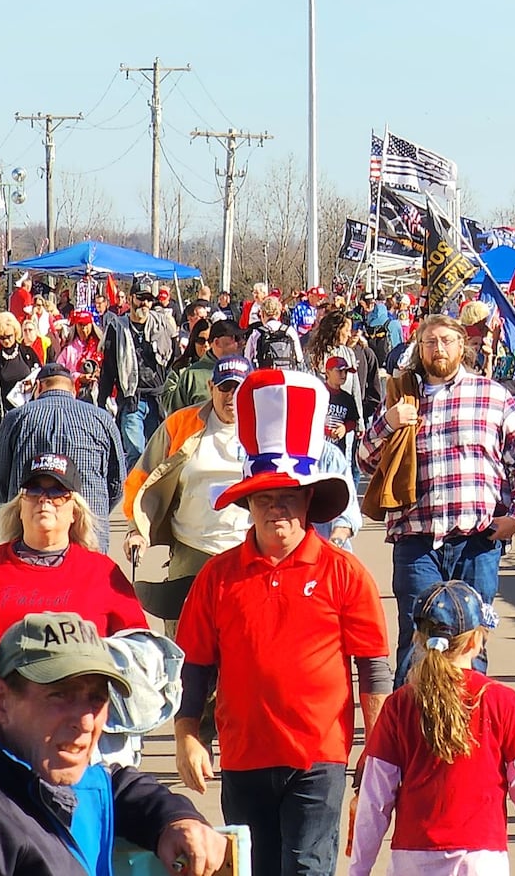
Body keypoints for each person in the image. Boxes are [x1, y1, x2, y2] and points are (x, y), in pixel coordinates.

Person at [174, 368, 392, 876]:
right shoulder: (217, 577)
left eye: (289, 497)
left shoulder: (345, 573)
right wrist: (188, 735)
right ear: (248, 504)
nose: (277, 509)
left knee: (308, 869)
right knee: (251, 869)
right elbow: (196, 666)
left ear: (309, 504)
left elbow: (374, 670)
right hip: (244, 756)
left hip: (319, 757)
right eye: (265, 497)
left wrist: (377, 751)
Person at [0, 611, 227, 876]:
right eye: (60, 696)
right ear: (0, 701)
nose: (84, 720)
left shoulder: (39, 773)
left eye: (96, 699)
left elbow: (112, 786)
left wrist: (175, 818)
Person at [357, 314, 515, 681]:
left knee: (470, 643)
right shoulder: (401, 398)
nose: (438, 348)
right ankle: (410, 731)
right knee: (418, 643)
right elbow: (365, 460)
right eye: (430, 342)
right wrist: (389, 422)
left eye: (446, 340)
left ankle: (469, 730)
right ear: (419, 348)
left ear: (462, 346)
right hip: (416, 542)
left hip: (477, 543)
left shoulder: (491, 395)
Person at [124, 356, 361, 632]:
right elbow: (141, 477)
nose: (231, 396)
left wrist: (337, 530)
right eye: (224, 388)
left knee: (247, 639)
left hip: (251, 551)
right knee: (187, 642)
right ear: (211, 386)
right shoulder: (181, 424)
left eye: (239, 388)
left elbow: (318, 461)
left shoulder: (271, 426)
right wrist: (136, 529)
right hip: (192, 550)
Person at [349, 581, 515, 876]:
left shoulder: (399, 705)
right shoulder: (501, 701)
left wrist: (359, 869)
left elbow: (374, 800)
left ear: (418, 640)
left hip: (412, 859)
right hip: (482, 860)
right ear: (475, 642)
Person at [0, 453, 147, 717]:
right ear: (20, 506)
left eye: (58, 492)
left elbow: (140, 650)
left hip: (74, 734)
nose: (45, 499)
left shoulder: (103, 573)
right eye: (34, 489)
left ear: (74, 510)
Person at [0, 364, 126, 553]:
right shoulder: (101, 419)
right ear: (74, 389)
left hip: (30, 534)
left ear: (38, 387)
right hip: (88, 535)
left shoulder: (16, 418)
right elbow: (117, 483)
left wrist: (11, 518)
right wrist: (91, 510)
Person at [123, 280, 178, 463]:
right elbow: (109, 367)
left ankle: (151, 491)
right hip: (132, 398)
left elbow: (173, 358)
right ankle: (132, 491)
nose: (145, 304)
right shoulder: (119, 327)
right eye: (141, 298)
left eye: (148, 299)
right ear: (131, 298)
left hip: (156, 399)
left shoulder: (162, 326)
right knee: (136, 452)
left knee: (157, 455)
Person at [0, 310, 42, 455]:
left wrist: (32, 384)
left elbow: (41, 375)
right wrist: (0, 406)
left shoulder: (28, 353)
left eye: (9, 336)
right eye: (1, 338)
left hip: (29, 410)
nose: (6, 341)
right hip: (5, 413)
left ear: (15, 333)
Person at [163, 318, 240, 414]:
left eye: (209, 340)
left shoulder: (238, 368)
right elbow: (171, 404)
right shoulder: (184, 370)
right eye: (201, 340)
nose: (206, 345)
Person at [244, 293, 304, 370]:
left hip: (265, 378)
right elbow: (300, 358)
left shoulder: (257, 333)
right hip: (286, 377)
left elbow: (247, 359)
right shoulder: (290, 331)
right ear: (279, 314)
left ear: (262, 313)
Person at [322, 356, 360, 466]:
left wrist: (344, 428)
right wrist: (326, 431)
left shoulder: (347, 398)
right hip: (318, 448)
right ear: (328, 372)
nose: (344, 375)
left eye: (346, 372)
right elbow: (308, 420)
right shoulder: (319, 393)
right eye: (339, 371)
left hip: (338, 450)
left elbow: (353, 420)